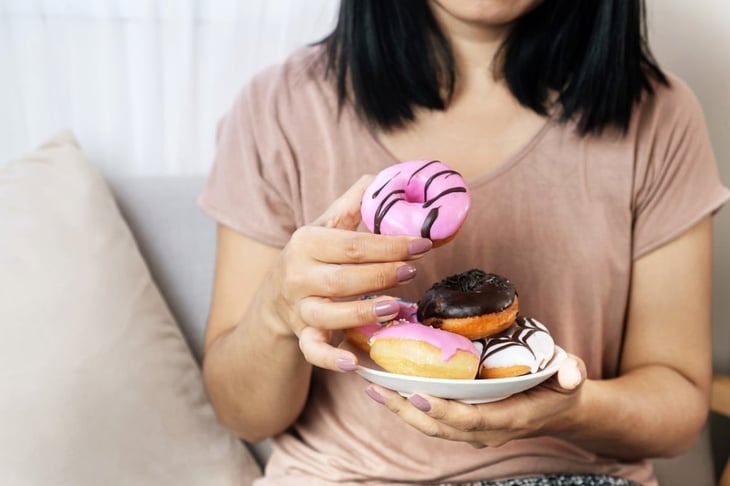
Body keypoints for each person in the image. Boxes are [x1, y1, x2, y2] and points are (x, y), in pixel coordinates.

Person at [197, 1, 729, 485]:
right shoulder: (280, 110)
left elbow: (677, 414)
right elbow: (243, 414)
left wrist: (572, 409)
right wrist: (277, 311)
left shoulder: (656, 115)